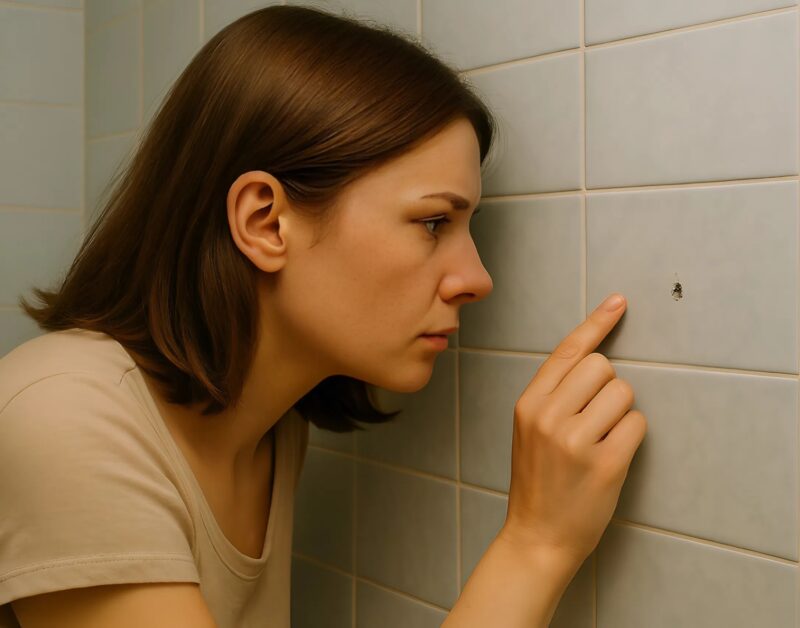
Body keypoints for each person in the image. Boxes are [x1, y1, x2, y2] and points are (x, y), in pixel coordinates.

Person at [0, 5, 646, 627]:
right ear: (264, 221)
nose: (477, 280)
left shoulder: (269, 426)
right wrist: (536, 545)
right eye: (431, 222)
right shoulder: (65, 415)